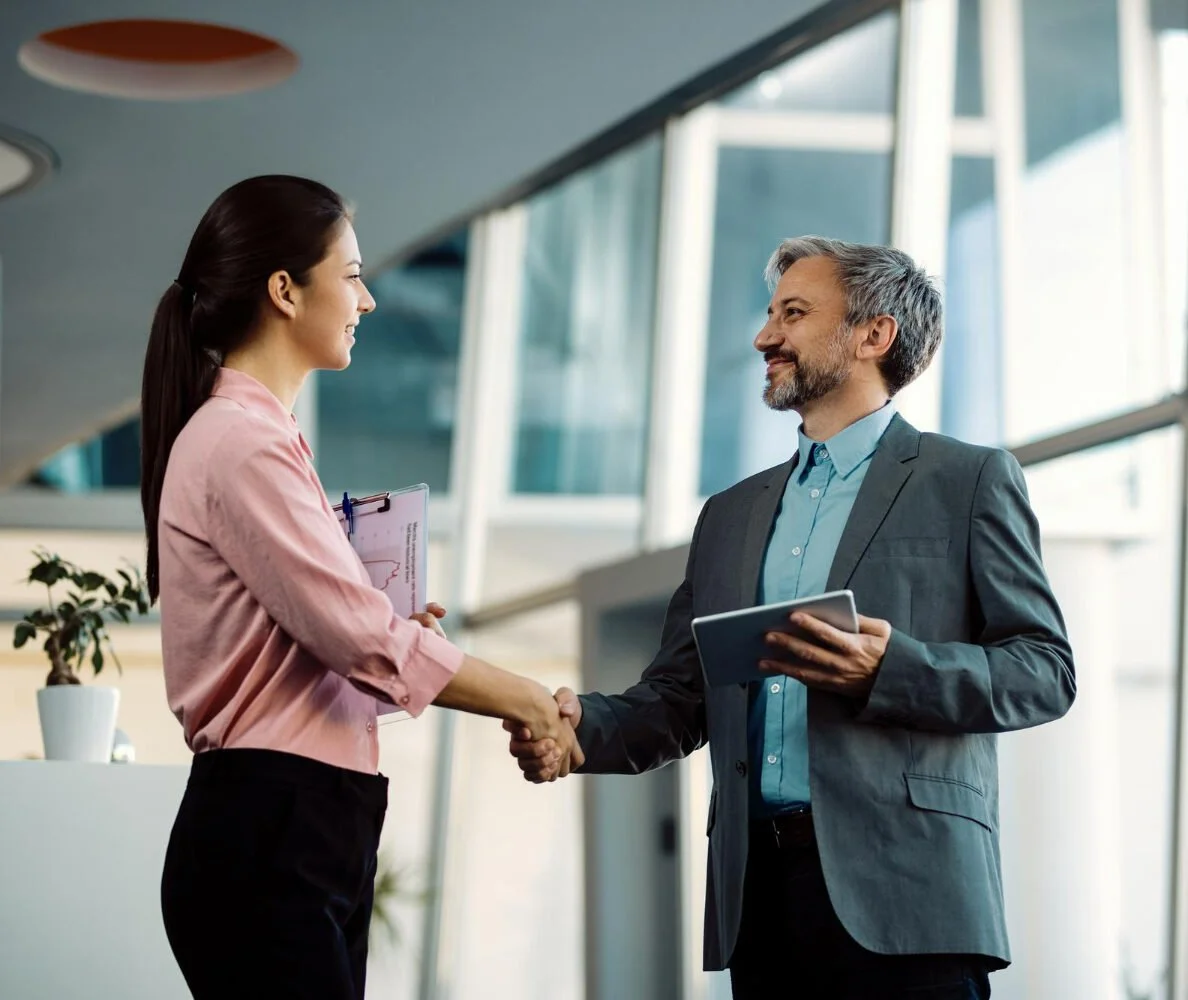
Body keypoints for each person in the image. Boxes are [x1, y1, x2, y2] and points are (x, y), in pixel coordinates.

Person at [506, 237, 1075, 999]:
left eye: (793, 314)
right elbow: (681, 696)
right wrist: (579, 731)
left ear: (875, 335)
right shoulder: (729, 515)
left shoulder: (967, 480)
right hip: (760, 899)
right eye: (771, 314)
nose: (764, 336)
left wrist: (891, 668)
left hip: (911, 895)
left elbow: (1044, 670)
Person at [141, 175, 582, 1000]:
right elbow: (363, 641)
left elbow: (342, 642)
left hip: (302, 821)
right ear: (284, 291)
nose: (368, 300)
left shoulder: (259, 436)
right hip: (273, 825)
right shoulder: (240, 442)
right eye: (349, 274)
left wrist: (390, 630)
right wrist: (526, 700)